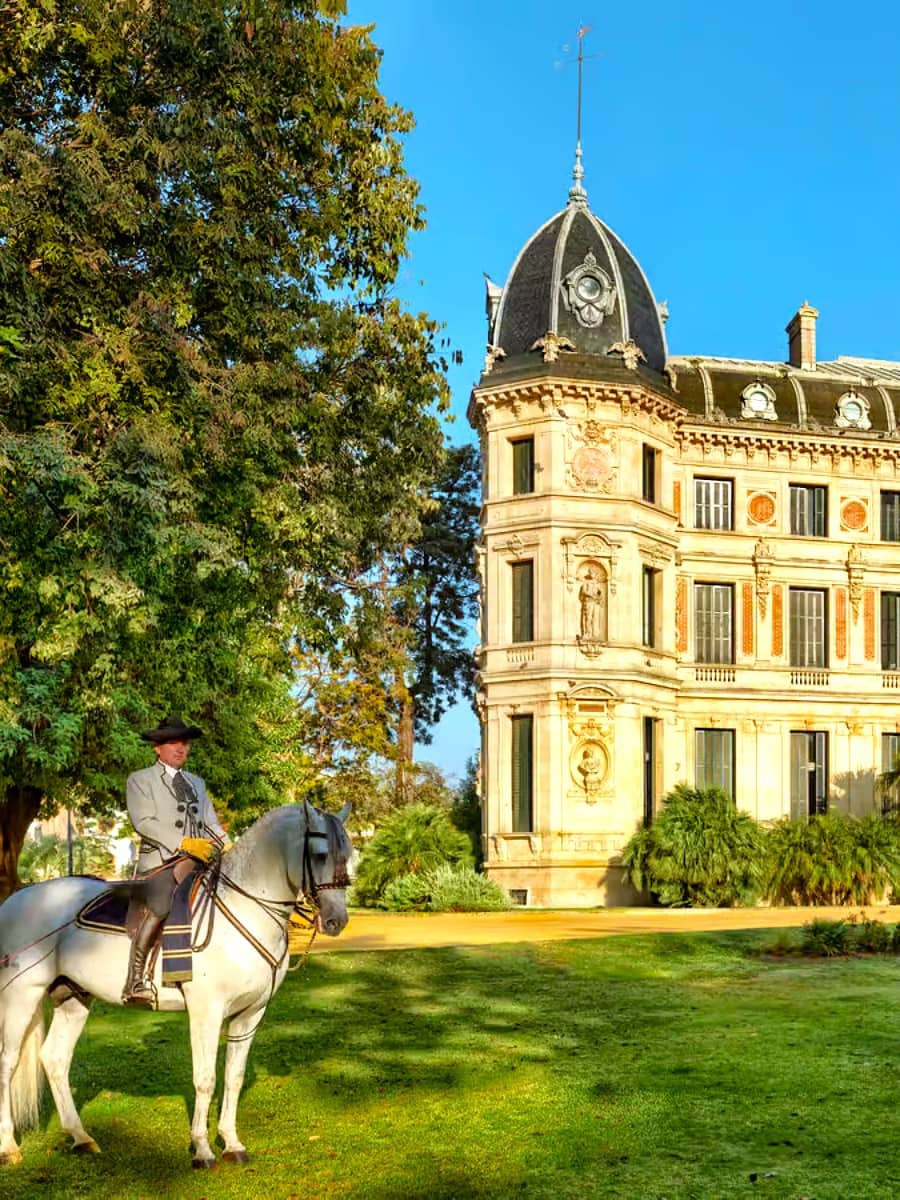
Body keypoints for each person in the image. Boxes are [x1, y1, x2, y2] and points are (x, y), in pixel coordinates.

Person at [122, 715, 228, 1007]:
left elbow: (210, 823)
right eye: (173, 743)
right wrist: (181, 843)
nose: (181, 749)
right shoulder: (140, 779)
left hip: (199, 859)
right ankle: (136, 979)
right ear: (158, 747)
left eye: (185, 743)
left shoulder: (197, 782)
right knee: (161, 904)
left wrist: (227, 844)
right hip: (161, 862)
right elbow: (143, 821)